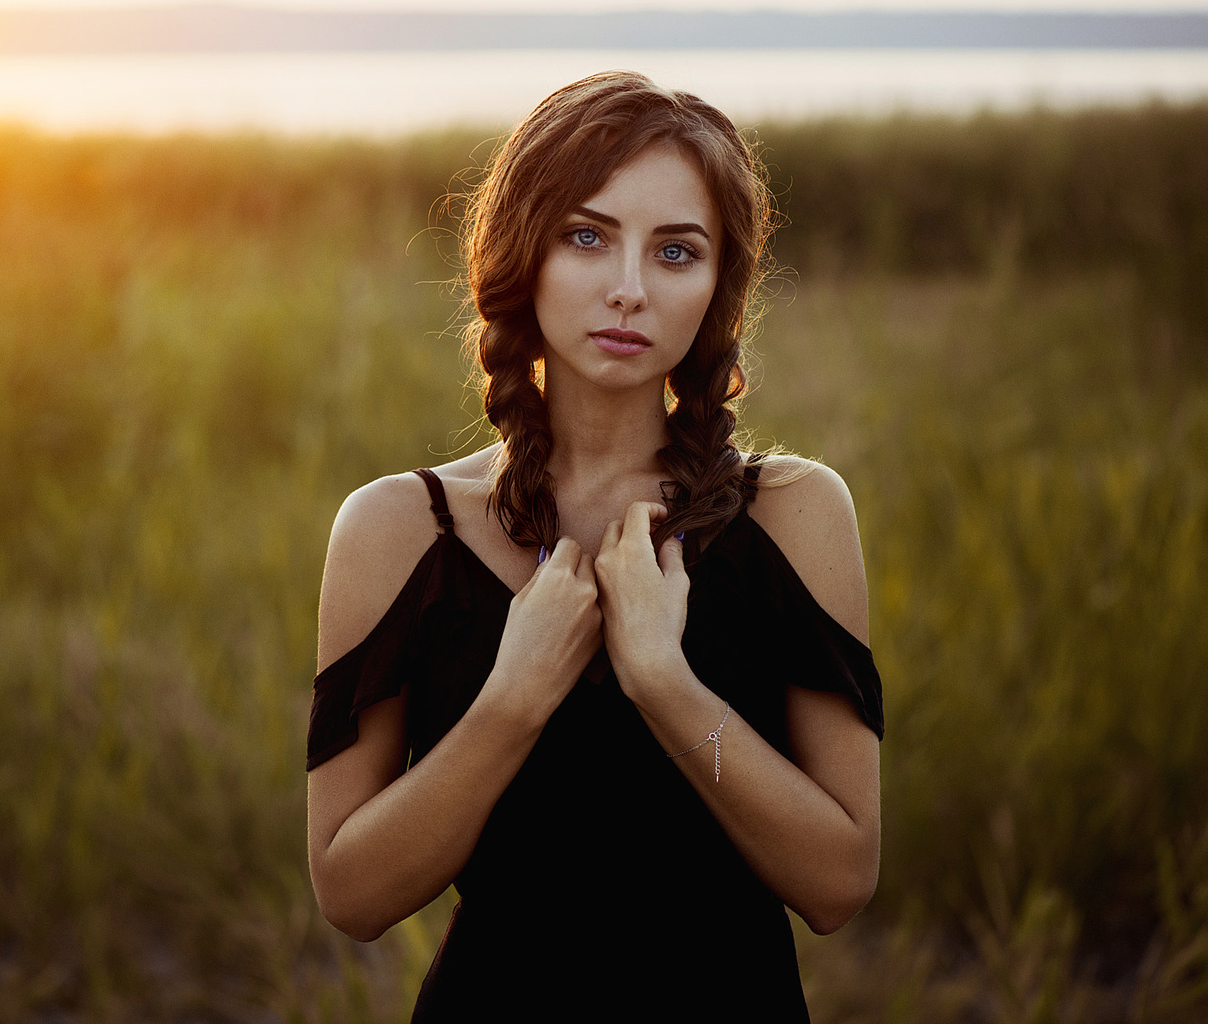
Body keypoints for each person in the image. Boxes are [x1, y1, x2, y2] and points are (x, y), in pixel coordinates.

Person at [305, 70, 883, 1021]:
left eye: (676, 251)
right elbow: (351, 895)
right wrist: (514, 699)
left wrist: (663, 680)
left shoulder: (794, 513)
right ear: (522, 253)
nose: (628, 289)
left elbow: (839, 882)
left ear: (718, 285)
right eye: (586, 237)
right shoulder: (398, 530)